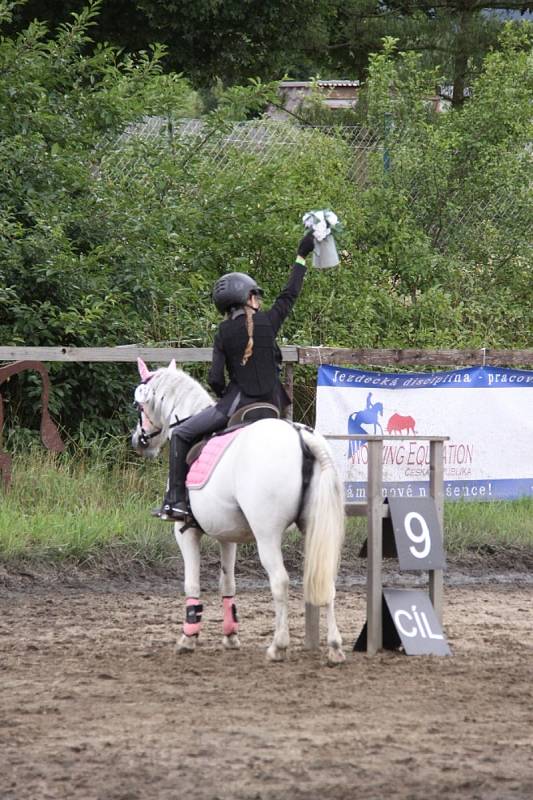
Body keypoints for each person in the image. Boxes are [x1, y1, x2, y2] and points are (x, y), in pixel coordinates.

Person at [154, 230, 316, 521]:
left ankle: (176, 501)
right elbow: (290, 293)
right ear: (249, 298)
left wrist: (222, 399)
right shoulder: (269, 321)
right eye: (256, 296)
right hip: (275, 407)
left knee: (180, 433)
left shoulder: (223, 332)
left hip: (238, 406)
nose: (260, 301)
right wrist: (301, 255)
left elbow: (216, 378)